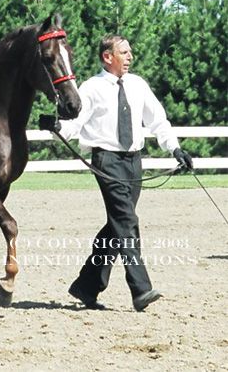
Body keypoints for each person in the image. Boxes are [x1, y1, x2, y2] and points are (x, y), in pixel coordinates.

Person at [39, 35, 193, 311]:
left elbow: (158, 120)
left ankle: (86, 286)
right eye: (124, 52)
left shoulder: (138, 85)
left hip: (134, 161)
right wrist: (56, 127)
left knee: (116, 226)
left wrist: (176, 150)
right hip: (106, 160)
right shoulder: (91, 88)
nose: (130, 56)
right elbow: (75, 124)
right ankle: (141, 289)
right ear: (107, 57)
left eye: (130, 51)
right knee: (126, 219)